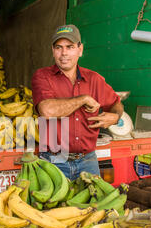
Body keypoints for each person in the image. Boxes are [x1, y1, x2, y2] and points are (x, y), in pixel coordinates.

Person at [31, 24, 124, 180]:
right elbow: (47, 110)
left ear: (80, 50)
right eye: (59, 47)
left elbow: (116, 103)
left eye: (70, 47)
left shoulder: (94, 79)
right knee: (55, 205)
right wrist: (84, 99)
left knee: (92, 204)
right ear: (53, 51)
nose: (64, 53)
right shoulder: (43, 76)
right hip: (54, 162)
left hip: (88, 161)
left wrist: (115, 117)